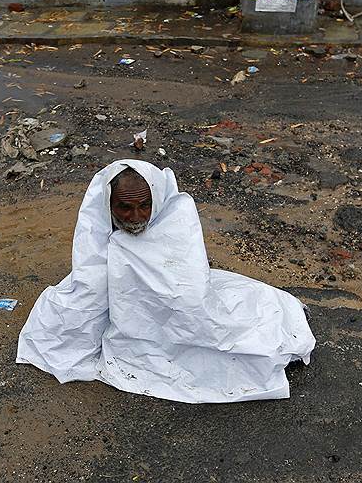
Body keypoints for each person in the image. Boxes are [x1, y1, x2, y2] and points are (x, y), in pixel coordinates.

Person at [16, 160, 315, 403]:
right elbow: (90, 279)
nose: (136, 216)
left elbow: (187, 289)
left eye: (144, 205)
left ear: (156, 199)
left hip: (178, 303)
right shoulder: (99, 224)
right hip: (127, 306)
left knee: (210, 326)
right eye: (124, 207)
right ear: (108, 203)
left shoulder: (176, 217)